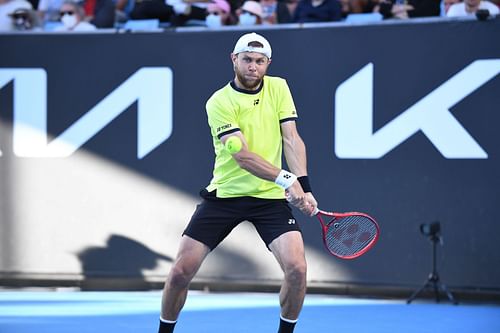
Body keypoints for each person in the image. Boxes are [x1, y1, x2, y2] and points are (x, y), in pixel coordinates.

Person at [157, 32, 317, 333]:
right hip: (225, 195)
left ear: (268, 63)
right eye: (247, 60)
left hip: (269, 199)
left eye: (259, 61)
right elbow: (242, 156)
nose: (253, 66)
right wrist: (286, 179)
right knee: (180, 271)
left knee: (297, 270)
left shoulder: (279, 87)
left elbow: (291, 139)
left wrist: (304, 187)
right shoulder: (219, 101)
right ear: (234, 59)